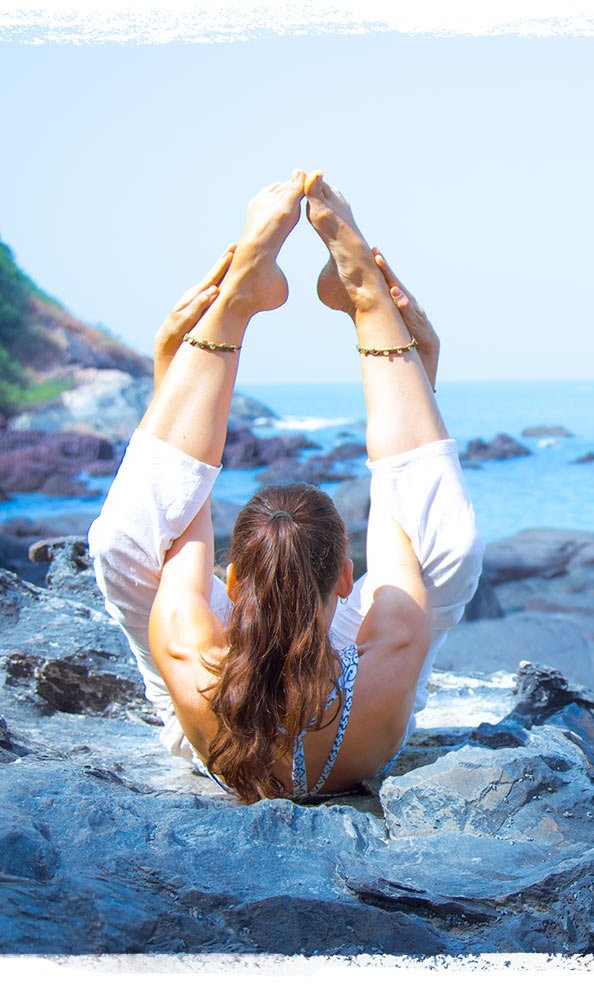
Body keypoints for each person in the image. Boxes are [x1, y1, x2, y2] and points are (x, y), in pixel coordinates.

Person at [87, 170, 483, 803]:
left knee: (123, 546)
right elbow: (398, 515)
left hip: (212, 725)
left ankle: (238, 301)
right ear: (348, 580)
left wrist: (172, 376)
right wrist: (417, 377)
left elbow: (177, 523)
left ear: (233, 579)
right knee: (450, 546)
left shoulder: (194, 654)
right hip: (362, 705)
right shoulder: (392, 649)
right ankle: (368, 306)